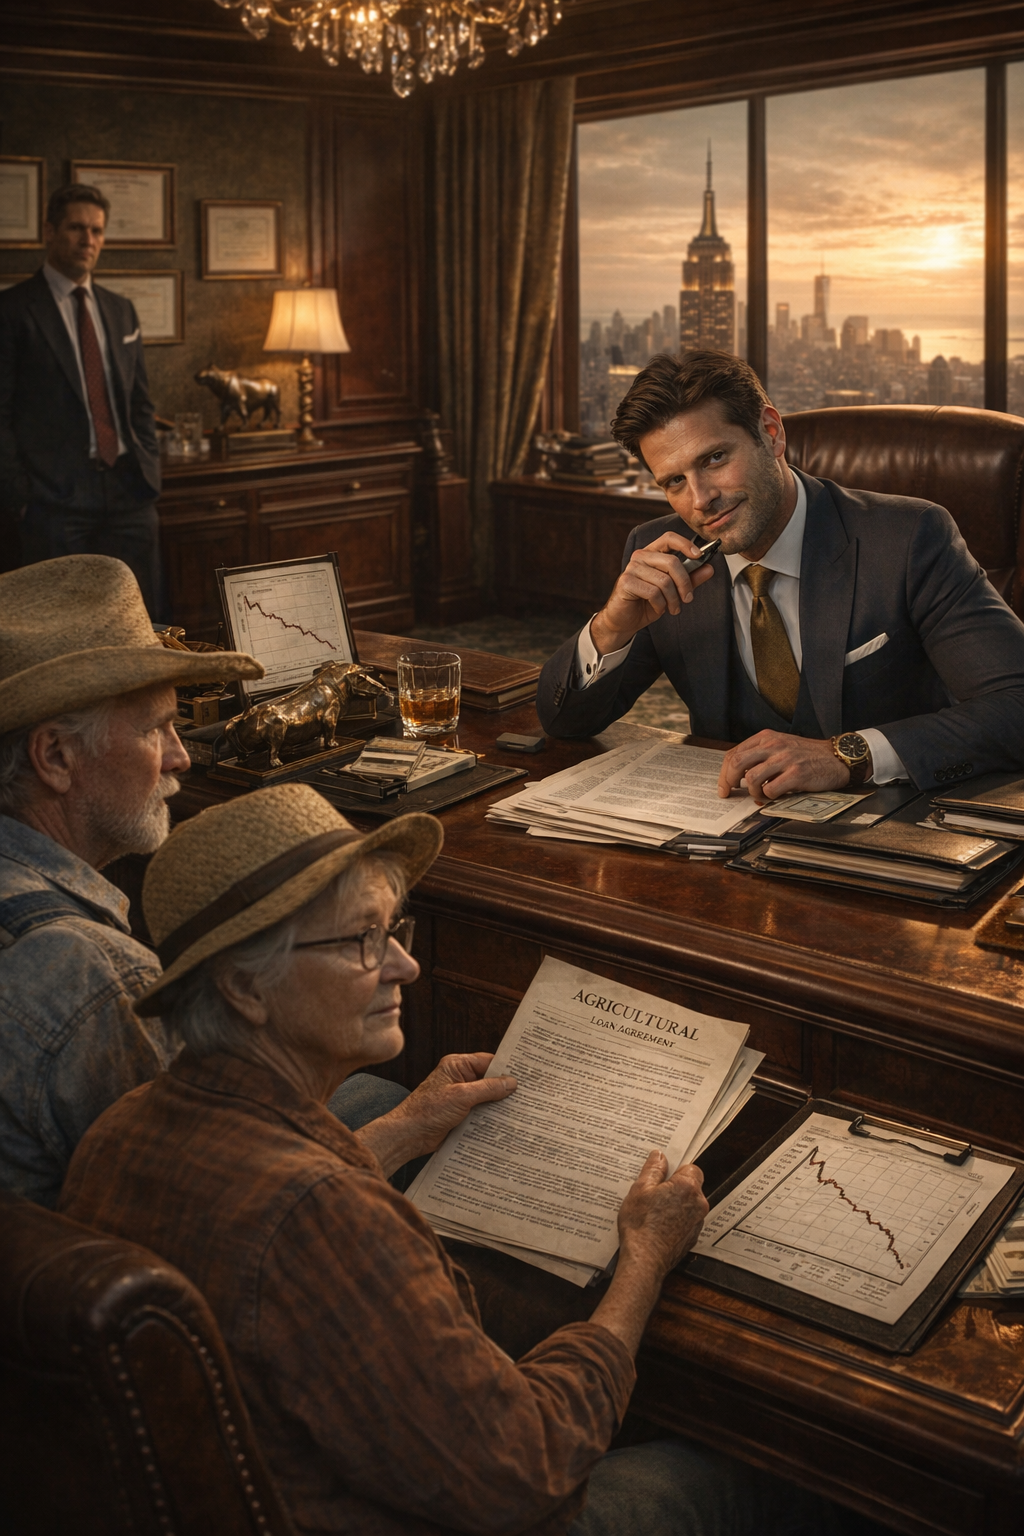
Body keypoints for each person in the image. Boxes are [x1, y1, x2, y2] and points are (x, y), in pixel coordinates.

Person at [60, 782, 884, 1536]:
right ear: (244, 988)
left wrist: (409, 1127)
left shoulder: (123, 1129)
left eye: (396, 931)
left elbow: (264, 1202)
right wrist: (642, 1263)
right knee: (775, 1471)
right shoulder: (329, 1220)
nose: (406, 967)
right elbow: (521, 1474)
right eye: (362, 942)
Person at [537, 350, 1024, 804]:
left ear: (771, 432)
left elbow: (1016, 705)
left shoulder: (909, 538)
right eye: (674, 481)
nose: (700, 499)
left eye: (714, 459)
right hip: (726, 831)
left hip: (887, 823)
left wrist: (847, 754)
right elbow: (565, 722)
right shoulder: (661, 555)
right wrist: (610, 628)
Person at [0, 184, 164, 617]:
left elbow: (140, 403)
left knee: (141, 621)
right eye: (76, 227)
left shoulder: (120, 310)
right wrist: (20, 496)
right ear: (49, 231)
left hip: (129, 490)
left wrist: (148, 465)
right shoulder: (13, 310)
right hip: (53, 500)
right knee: (63, 628)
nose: (87, 239)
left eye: (96, 230)